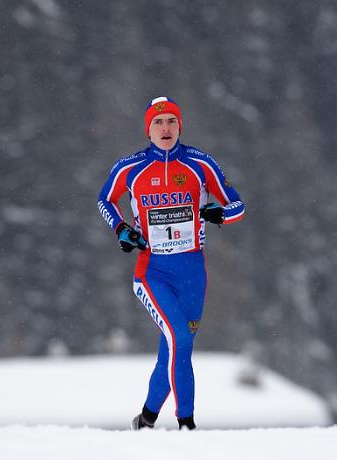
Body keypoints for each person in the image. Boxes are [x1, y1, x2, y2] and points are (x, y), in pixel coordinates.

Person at [97, 96, 244, 430]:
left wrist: (220, 213)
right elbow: (105, 199)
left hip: (192, 272)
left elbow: (239, 206)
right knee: (179, 337)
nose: (166, 128)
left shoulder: (200, 164)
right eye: (158, 123)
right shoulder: (130, 167)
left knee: (177, 348)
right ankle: (187, 423)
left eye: (172, 122)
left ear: (181, 126)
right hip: (153, 271)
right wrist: (122, 229)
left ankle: (146, 419)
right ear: (148, 130)